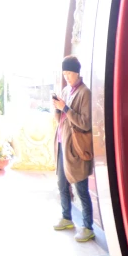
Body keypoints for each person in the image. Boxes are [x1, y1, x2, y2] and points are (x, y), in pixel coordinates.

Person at [51, 56, 95, 242]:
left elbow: (85, 124)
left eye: (68, 73)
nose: (66, 77)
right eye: (64, 73)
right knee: (62, 184)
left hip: (76, 147)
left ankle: (88, 226)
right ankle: (67, 217)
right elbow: (61, 119)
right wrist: (57, 107)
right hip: (62, 142)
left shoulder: (85, 93)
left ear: (77, 72)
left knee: (81, 187)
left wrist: (65, 108)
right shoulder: (65, 90)